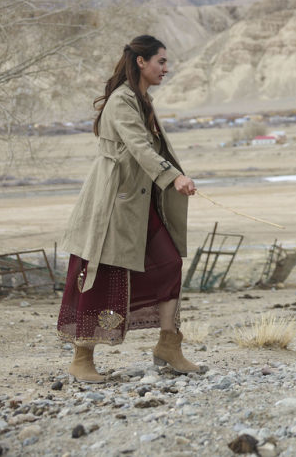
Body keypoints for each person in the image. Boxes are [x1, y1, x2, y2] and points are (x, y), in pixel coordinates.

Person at [56, 35, 203, 382]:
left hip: (138, 201)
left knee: (169, 263)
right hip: (112, 203)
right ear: (141, 61)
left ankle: (168, 346)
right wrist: (174, 177)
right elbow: (139, 147)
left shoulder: (141, 99)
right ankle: (81, 359)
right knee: (99, 274)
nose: (166, 68)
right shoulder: (122, 100)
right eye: (161, 61)